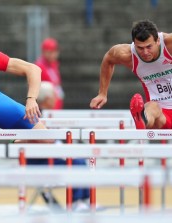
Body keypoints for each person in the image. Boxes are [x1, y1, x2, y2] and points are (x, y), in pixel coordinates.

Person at [90, 20, 172, 130]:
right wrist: (102, 93)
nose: (145, 52)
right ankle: (142, 119)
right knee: (152, 106)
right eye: (140, 48)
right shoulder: (126, 54)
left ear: (157, 41)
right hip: (161, 115)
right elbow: (108, 60)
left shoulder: (169, 44)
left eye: (149, 46)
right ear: (133, 43)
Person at [28, 81, 90, 211]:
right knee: (77, 164)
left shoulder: (48, 114)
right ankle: (77, 202)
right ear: (47, 99)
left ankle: (83, 201)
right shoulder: (36, 115)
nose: (56, 99)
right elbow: (45, 142)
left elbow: (53, 141)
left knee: (79, 161)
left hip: (49, 156)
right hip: (39, 161)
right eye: (53, 96)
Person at [35, 38, 64, 109]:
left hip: (56, 106)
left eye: (55, 52)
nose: (53, 55)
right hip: (45, 108)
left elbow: (57, 84)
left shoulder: (54, 64)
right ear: (43, 52)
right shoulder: (39, 66)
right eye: (50, 52)